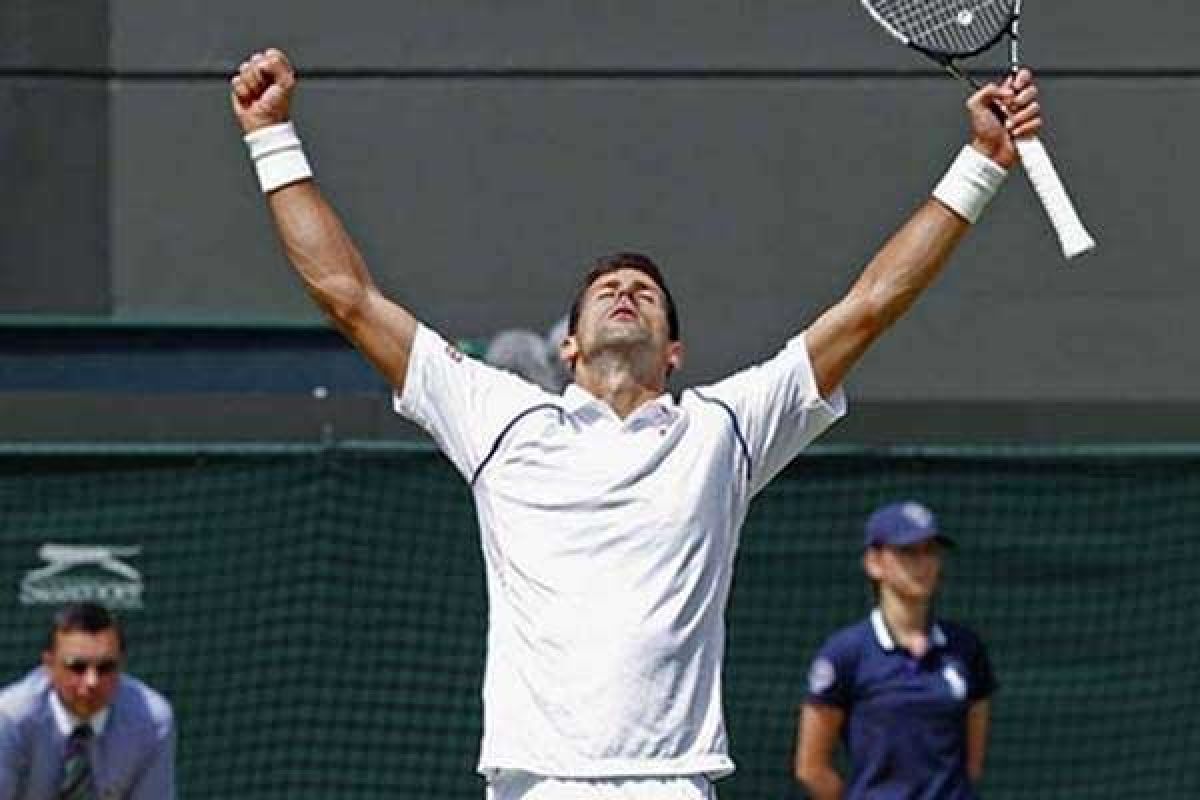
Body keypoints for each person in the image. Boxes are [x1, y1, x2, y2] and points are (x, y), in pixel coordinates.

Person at [229, 47, 1040, 800]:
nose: (627, 291)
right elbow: (348, 296)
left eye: (646, 292)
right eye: (608, 287)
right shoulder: (502, 419)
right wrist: (272, 135)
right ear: (572, 343)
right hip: (535, 781)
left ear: (675, 350)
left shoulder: (724, 430)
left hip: (674, 780)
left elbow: (867, 309)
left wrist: (981, 163)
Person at [794, 502, 995, 799]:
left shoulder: (965, 648)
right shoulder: (846, 653)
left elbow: (971, 762)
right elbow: (811, 768)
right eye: (908, 552)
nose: (923, 563)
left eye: (930, 551)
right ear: (874, 562)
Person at [0, 603, 175, 800]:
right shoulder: (11, 717)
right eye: (77, 667)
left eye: (106, 667)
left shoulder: (151, 720)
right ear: (49, 665)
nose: (92, 682)